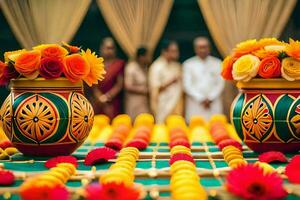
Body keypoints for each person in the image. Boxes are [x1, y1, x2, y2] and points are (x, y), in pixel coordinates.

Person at [183, 37, 224, 121]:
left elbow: (220, 83)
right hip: (196, 104)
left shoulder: (218, 63)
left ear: (209, 48)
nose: (203, 50)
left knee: (217, 129)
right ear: (195, 49)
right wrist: (201, 99)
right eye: (200, 47)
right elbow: (187, 85)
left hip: (213, 103)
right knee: (196, 129)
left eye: (205, 47)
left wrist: (210, 98)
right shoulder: (188, 64)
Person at [90, 37, 125, 119]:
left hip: (112, 102)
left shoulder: (119, 64)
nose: (109, 51)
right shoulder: (95, 63)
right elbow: (92, 83)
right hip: (97, 101)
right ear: (101, 48)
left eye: (112, 48)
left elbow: (119, 84)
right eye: (107, 48)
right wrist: (99, 97)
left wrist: (107, 97)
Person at [149, 40, 183, 123]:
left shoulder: (176, 66)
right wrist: (171, 82)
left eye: (176, 51)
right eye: (173, 51)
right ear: (165, 52)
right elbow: (154, 89)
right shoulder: (156, 67)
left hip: (176, 104)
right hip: (163, 104)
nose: (176, 53)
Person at [125, 47, 151, 119]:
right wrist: (145, 90)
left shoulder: (145, 67)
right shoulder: (131, 68)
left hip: (144, 102)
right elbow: (128, 86)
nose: (149, 58)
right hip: (134, 101)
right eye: (147, 56)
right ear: (141, 57)